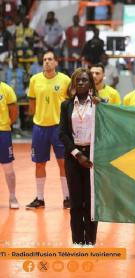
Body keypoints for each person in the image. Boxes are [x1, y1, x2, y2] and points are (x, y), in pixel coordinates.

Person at [26, 50, 71, 209]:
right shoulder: (34, 80)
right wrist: (38, 117)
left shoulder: (65, 80)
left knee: (63, 163)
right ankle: (40, 198)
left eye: (50, 59)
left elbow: (71, 103)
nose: (47, 62)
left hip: (59, 128)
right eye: (44, 59)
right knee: (39, 164)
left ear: (56, 62)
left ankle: (67, 197)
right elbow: (32, 103)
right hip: (40, 128)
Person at [59, 67, 99, 246]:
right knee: (75, 201)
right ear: (74, 83)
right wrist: (76, 154)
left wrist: (102, 105)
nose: (81, 83)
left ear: (90, 83)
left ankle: (90, 240)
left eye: (85, 80)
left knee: (90, 201)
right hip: (74, 157)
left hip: (92, 157)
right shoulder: (66, 105)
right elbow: (62, 133)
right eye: (78, 80)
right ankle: (77, 240)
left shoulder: (99, 104)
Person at [0, 81, 19, 209]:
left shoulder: (6, 89)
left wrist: (5, 124)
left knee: (8, 169)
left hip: (3, 132)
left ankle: (12, 196)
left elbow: (13, 113)